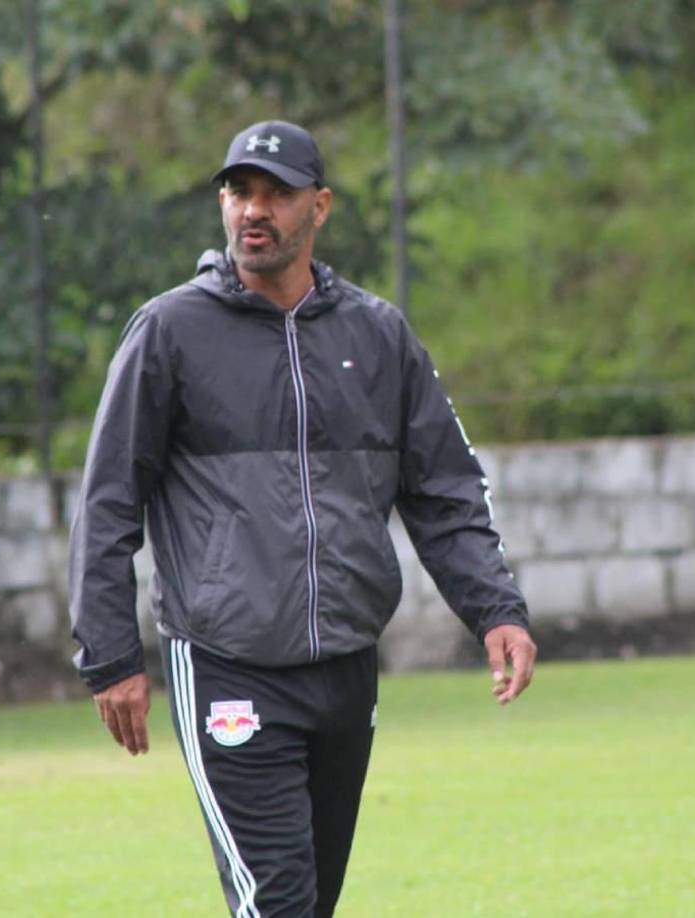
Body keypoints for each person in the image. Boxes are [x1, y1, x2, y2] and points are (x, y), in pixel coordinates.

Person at [69, 119, 536, 917]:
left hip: (346, 665)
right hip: (227, 661)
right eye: (238, 191)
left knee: (310, 903)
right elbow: (107, 499)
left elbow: (445, 490)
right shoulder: (170, 332)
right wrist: (110, 654)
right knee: (278, 903)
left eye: (276, 194)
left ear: (319, 206)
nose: (253, 210)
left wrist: (496, 608)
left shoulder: (377, 336)